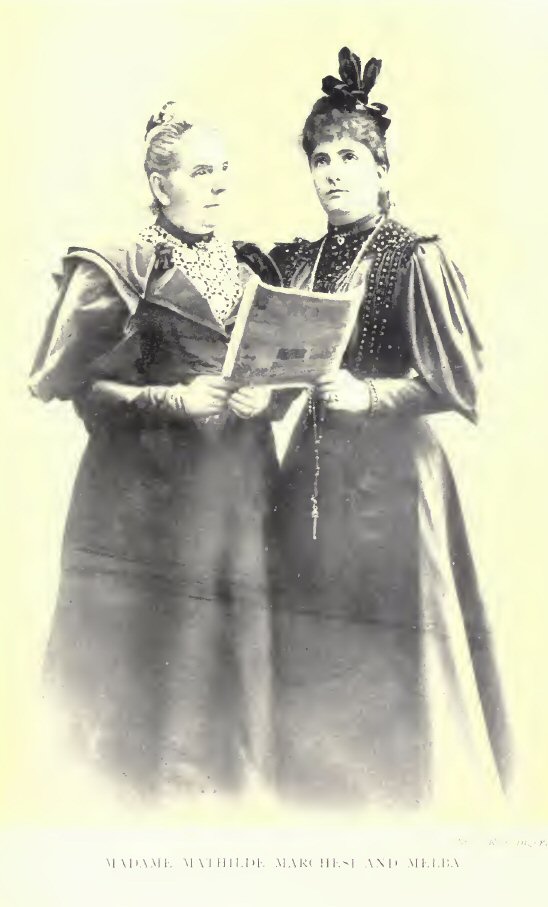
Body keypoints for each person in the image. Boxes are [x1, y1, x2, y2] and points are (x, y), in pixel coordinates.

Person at [267, 49, 511, 806]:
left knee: (399, 652)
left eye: (348, 157)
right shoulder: (299, 260)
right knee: (313, 641)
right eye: (320, 159)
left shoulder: (414, 256)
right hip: (312, 476)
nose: (332, 173)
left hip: (396, 485)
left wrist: (369, 396)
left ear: (380, 168)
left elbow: (456, 380)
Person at [30, 102, 280, 797]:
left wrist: (269, 398)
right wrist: (171, 401)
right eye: (201, 172)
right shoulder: (119, 267)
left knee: (240, 645)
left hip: (240, 489)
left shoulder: (249, 265)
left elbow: (276, 365)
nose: (219, 184)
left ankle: (239, 793)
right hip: (151, 500)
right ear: (159, 183)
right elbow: (82, 391)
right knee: (167, 652)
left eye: (224, 169)